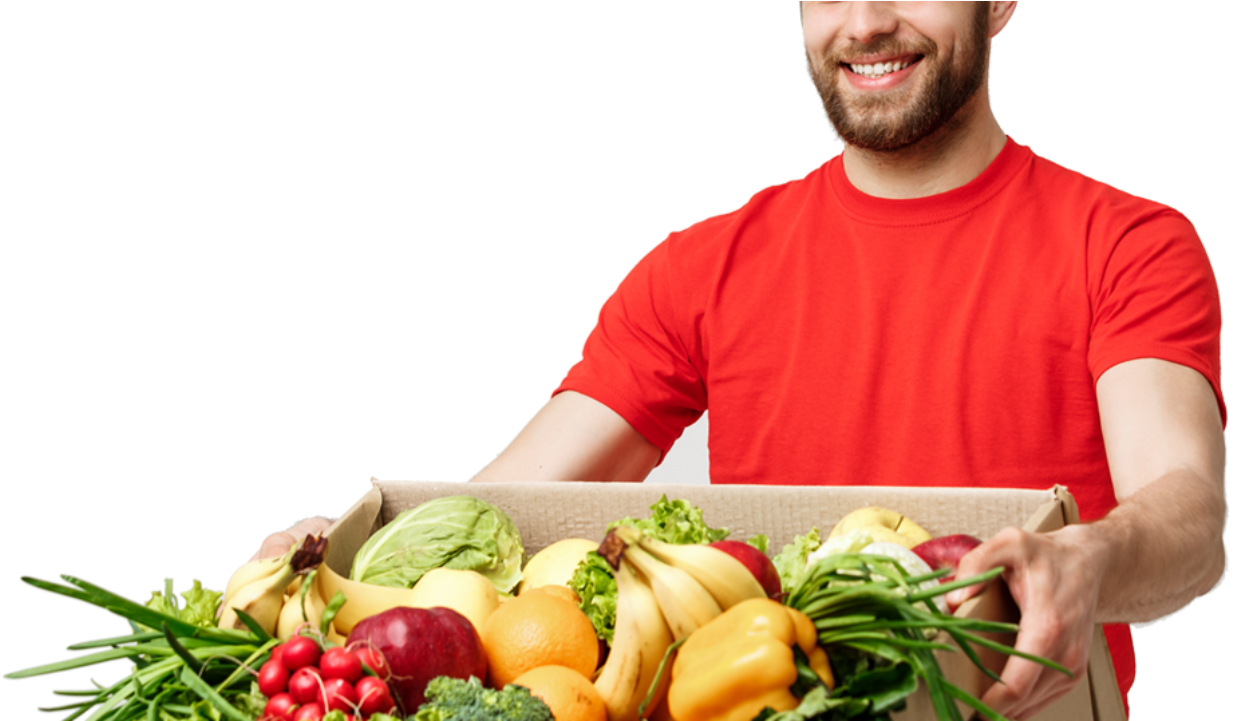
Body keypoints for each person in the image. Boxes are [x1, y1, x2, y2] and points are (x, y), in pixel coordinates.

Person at [254, 3, 1226, 719]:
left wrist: (1092, 554)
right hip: (773, 700)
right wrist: (341, 556)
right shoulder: (706, 265)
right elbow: (506, 508)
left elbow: (1185, 513)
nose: (869, 23)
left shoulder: (1127, 244)